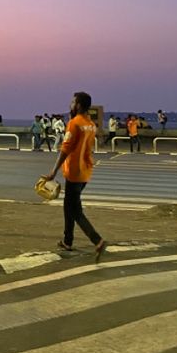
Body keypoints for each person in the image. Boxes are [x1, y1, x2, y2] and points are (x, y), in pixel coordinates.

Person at [42, 91, 106, 260]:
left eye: (72, 102)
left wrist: (53, 171)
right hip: (85, 171)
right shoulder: (91, 124)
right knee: (68, 205)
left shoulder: (74, 123)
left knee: (75, 211)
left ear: (78, 105)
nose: (70, 105)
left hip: (74, 172)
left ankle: (97, 240)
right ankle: (67, 240)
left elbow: (65, 149)